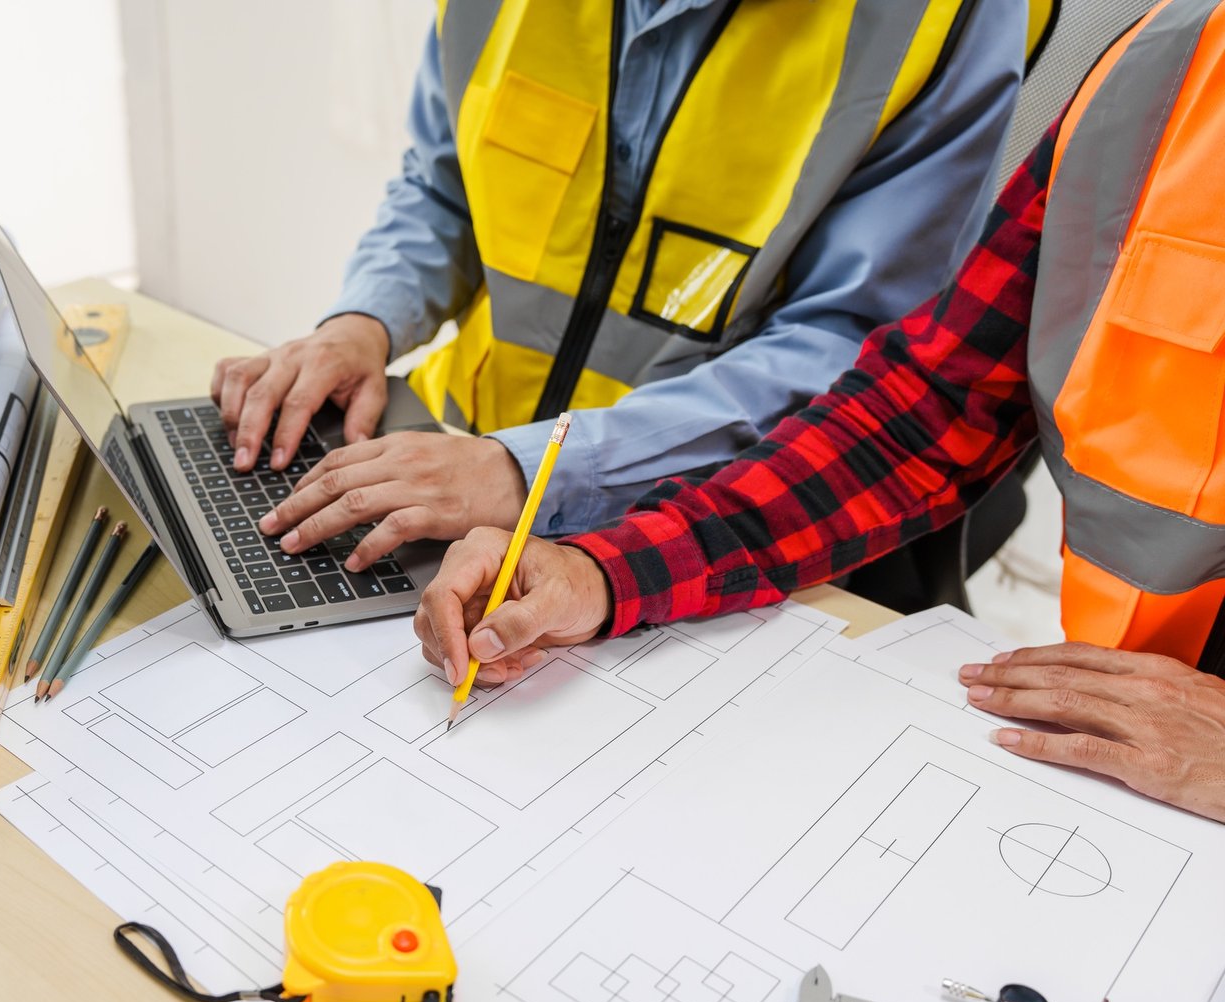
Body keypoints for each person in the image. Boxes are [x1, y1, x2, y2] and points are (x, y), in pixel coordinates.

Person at [414, 0, 1225, 825]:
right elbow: (920, 421)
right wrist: (605, 571)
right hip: (1122, 740)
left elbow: (843, 331)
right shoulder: (1169, 68)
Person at [210, 2, 1033, 573]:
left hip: (690, 531)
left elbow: (850, 354)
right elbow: (446, 182)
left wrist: (529, 473)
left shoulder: (942, 18)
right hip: (445, 456)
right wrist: (364, 322)